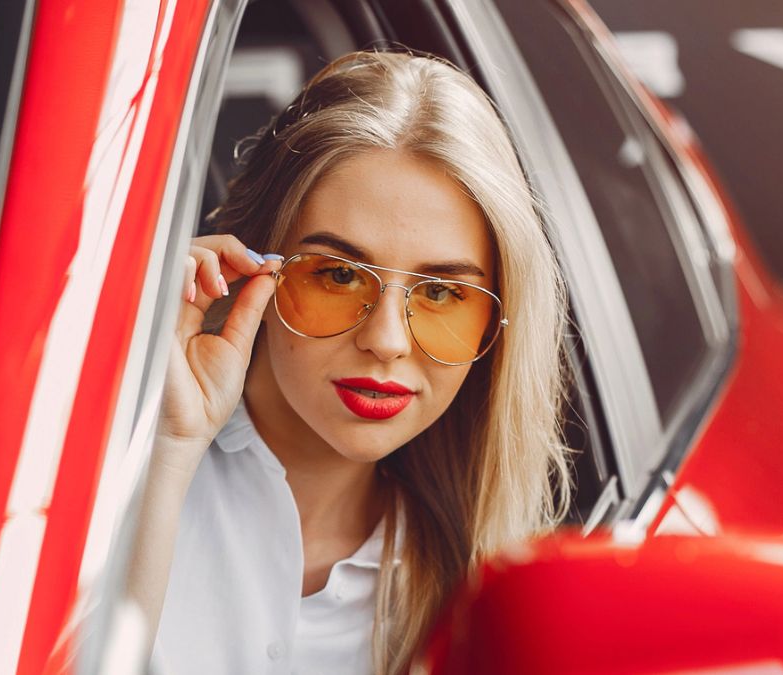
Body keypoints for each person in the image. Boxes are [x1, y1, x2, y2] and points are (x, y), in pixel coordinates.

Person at [127, 49, 573, 675]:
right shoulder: (97, 475)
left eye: (442, 293)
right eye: (338, 274)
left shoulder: (479, 588)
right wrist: (169, 446)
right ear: (251, 266)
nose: (387, 340)